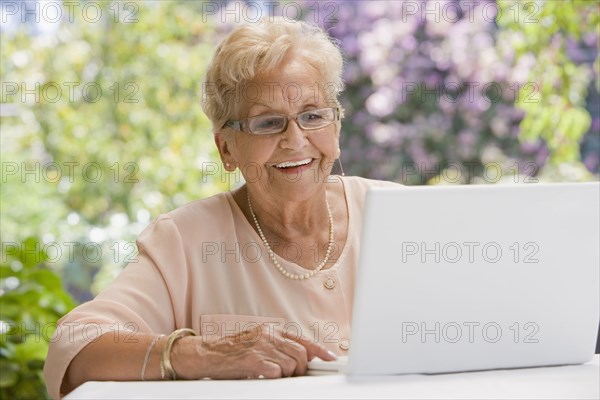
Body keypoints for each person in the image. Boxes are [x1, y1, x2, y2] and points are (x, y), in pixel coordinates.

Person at [43, 17, 401, 399]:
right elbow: (76, 347)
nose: (295, 140)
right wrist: (203, 354)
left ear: (337, 127)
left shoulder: (398, 215)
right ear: (226, 148)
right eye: (268, 123)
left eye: (313, 116)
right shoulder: (185, 240)